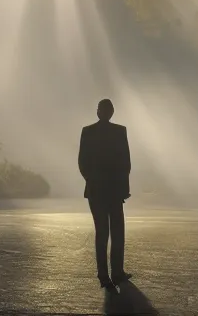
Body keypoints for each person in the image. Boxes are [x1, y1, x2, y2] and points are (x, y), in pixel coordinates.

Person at [78, 99, 132, 289]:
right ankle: (113, 273)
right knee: (113, 232)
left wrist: (92, 181)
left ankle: (108, 274)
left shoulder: (89, 131)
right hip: (112, 191)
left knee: (106, 232)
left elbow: (82, 163)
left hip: (99, 191)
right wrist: (123, 189)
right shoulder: (119, 132)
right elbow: (126, 164)